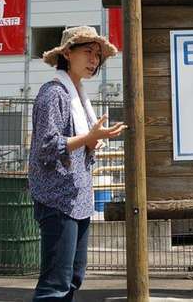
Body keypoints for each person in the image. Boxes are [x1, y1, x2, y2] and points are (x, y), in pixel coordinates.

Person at [28, 26, 127, 301]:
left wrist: (92, 141)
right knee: (55, 283)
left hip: (78, 198)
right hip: (58, 198)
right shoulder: (54, 93)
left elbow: (79, 144)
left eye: (97, 55)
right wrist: (89, 138)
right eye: (88, 52)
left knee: (73, 277)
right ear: (67, 53)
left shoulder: (78, 95)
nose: (94, 60)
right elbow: (46, 147)